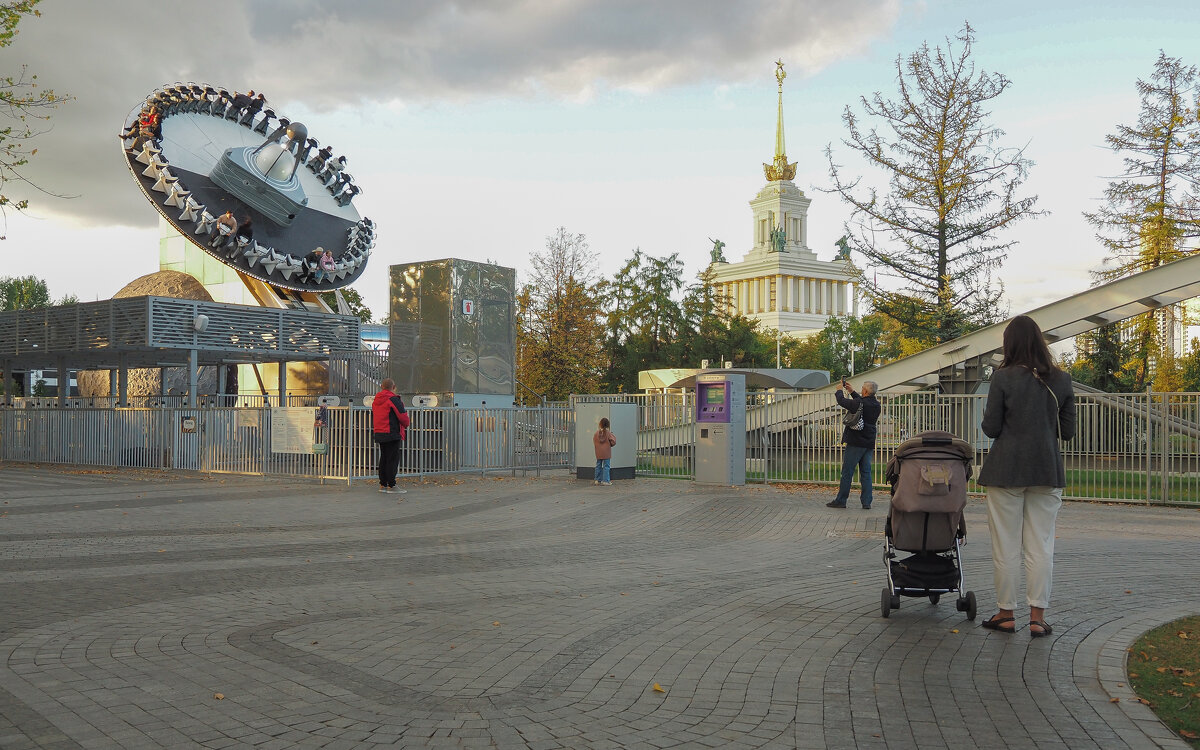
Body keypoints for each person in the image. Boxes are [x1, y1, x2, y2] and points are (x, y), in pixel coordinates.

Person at [977, 315, 1075, 638]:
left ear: (1011, 344)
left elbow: (990, 428)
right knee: (1041, 546)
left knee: (1005, 545)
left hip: (1005, 470)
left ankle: (1006, 614)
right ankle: (1037, 618)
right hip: (1047, 470)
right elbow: (1069, 432)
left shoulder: (1002, 378)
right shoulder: (1061, 380)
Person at [827, 378, 881, 509]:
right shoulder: (876, 404)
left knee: (847, 472)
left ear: (866, 391)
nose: (861, 390)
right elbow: (861, 403)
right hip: (868, 441)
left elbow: (842, 401)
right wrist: (852, 391)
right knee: (866, 472)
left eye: (863, 388)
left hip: (856, 441)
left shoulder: (859, 403)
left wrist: (839, 390)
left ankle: (841, 500)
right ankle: (866, 502)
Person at [372, 378, 410, 494]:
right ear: (393, 387)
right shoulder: (393, 399)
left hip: (379, 432)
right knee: (392, 459)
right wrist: (406, 424)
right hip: (392, 432)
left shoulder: (376, 400)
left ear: (382, 387)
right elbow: (402, 416)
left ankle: (383, 484)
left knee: (384, 458)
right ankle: (392, 485)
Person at [592, 417, 616, 486]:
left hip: (598, 452)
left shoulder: (596, 433)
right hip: (606, 452)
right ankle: (605, 480)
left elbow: (594, 441)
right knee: (606, 466)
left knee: (598, 465)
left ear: (600, 424)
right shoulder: (608, 433)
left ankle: (597, 480)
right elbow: (613, 441)